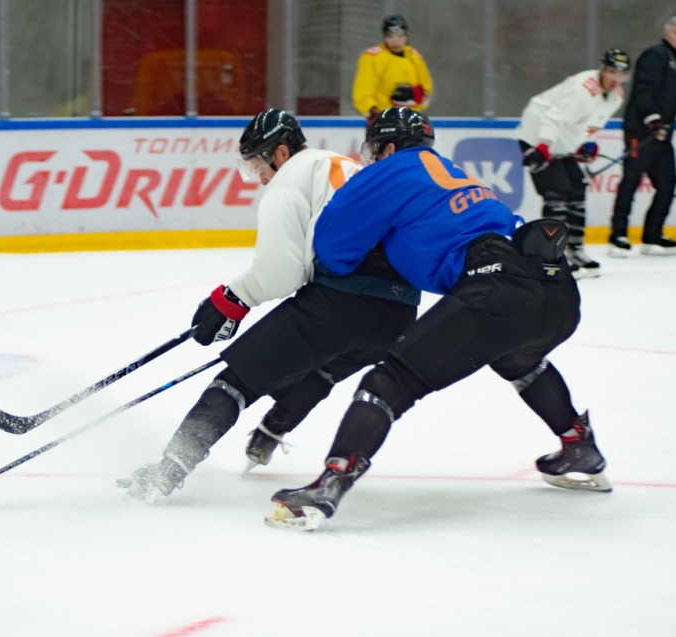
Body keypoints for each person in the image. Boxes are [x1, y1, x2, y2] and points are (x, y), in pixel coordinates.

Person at [265, 108, 609, 533]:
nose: (371, 157)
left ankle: (329, 484)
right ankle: (579, 445)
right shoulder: (451, 173)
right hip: (556, 290)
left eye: (374, 149)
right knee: (516, 358)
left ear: (388, 147)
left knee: (390, 381)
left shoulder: (386, 171)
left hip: (497, 288)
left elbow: (333, 250)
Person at [121, 109, 420, 502]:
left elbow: (283, 271)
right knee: (322, 368)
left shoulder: (291, 176)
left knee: (236, 380)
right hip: (399, 313)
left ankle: (167, 471)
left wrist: (232, 298)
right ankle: (269, 433)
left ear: (281, 153)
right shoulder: (347, 165)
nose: (257, 176)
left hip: (344, 300)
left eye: (258, 163)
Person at [516, 49, 629, 278]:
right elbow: (553, 117)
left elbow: (588, 124)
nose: (615, 78)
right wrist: (544, 146)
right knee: (556, 193)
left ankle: (575, 249)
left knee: (577, 189)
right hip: (537, 133)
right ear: (602, 70)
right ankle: (552, 255)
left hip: (562, 142)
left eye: (620, 73)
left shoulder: (616, 95)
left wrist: (586, 144)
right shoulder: (583, 90)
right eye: (610, 71)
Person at [610, 17, 676, 257]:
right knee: (631, 180)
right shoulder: (656, 55)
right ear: (669, 33)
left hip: (663, 134)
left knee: (667, 183)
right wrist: (653, 118)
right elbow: (643, 89)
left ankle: (652, 236)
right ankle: (618, 235)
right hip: (641, 131)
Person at [352, 15, 433, 123]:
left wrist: (415, 93)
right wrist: (375, 114)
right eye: (390, 36)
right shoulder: (373, 57)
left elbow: (426, 89)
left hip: (410, 122)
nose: (395, 41)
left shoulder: (414, 57)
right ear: (384, 37)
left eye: (400, 36)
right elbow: (362, 94)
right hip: (383, 121)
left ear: (406, 36)